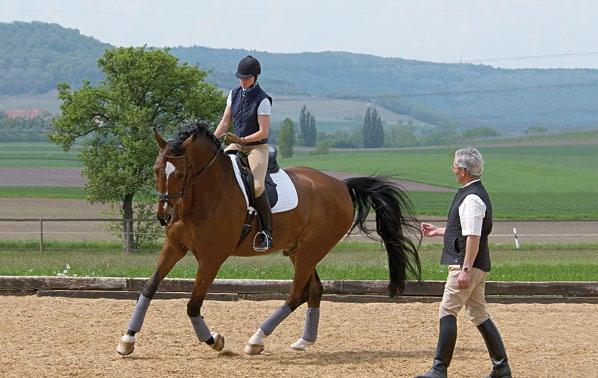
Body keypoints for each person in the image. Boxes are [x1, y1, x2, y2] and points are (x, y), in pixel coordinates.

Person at [416, 148, 512, 378]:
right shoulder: (473, 193)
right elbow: (465, 230)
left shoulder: (471, 198)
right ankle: (501, 367)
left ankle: (439, 369)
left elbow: (473, 236)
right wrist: (439, 231)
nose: (453, 170)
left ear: (462, 171)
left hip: (465, 264)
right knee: (479, 313)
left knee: (447, 310)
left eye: (455, 167)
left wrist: (465, 270)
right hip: (476, 264)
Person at [214, 55, 273, 252]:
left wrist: (242, 140)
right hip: (236, 145)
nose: (242, 80)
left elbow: (263, 132)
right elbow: (225, 123)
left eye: (246, 77)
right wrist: (213, 140)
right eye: (240, 77)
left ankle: (267, 232)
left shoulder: (263, 99)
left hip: (256, 147)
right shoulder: (234, 94)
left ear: (255, 77)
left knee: (256, 187)